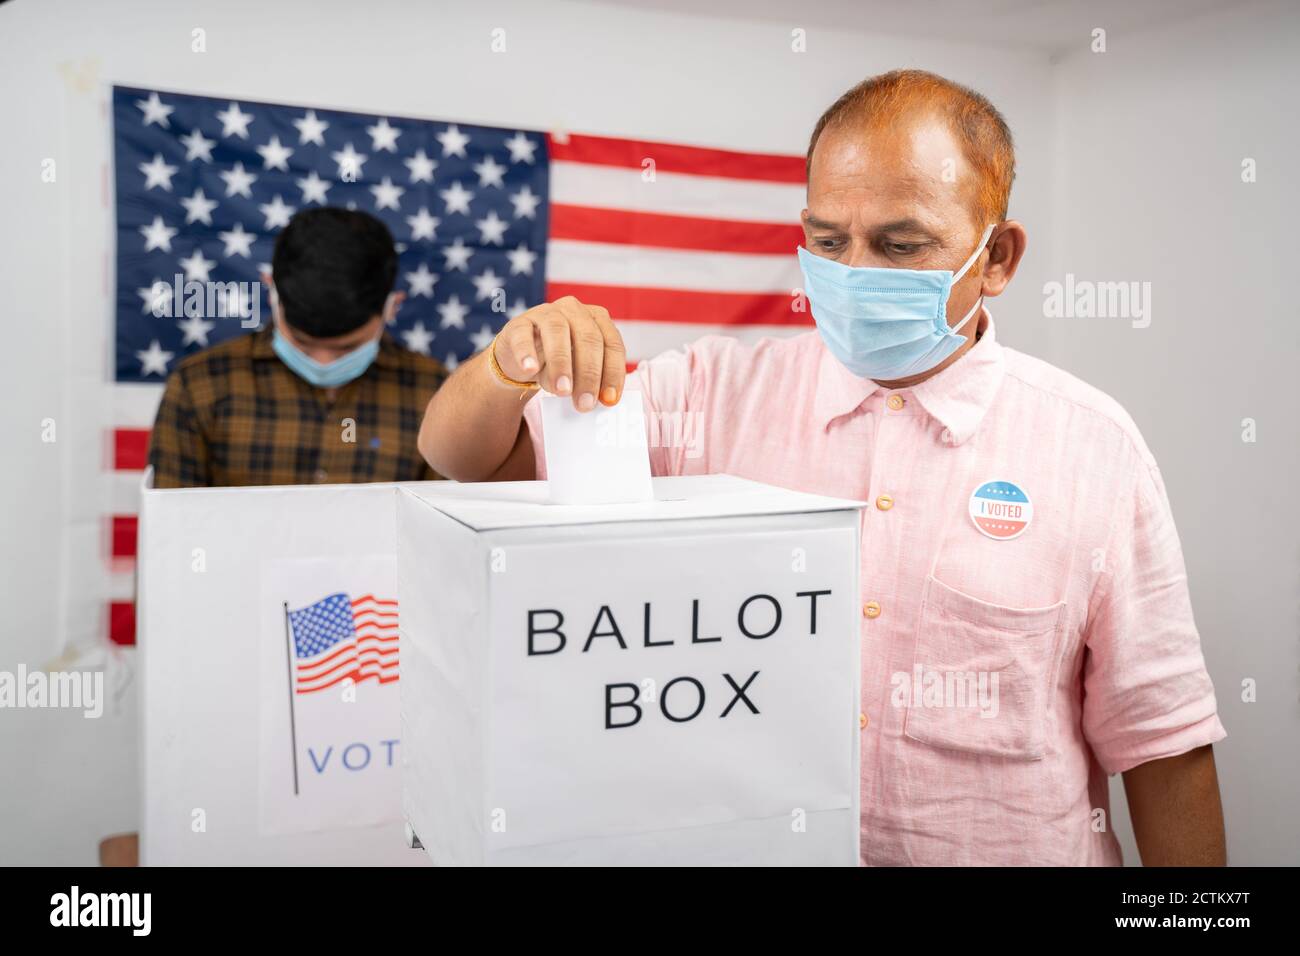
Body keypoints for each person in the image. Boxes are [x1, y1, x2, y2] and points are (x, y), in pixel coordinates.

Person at [417, 70, 1227, 866]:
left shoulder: (1092, 446)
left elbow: (1162, 740)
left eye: (900, 245)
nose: (854, 274)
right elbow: (465, 459)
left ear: (997, 260)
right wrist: (508, 363)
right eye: (829, 241)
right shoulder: (710, 392)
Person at [149, 207, 446, 488]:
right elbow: (175, 528)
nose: (323, 362)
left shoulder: (438, 395)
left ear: (392, 306)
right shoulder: (199, 386)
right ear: (270, 291)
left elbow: (448, 531)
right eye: (302, 344)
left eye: (346, 349)